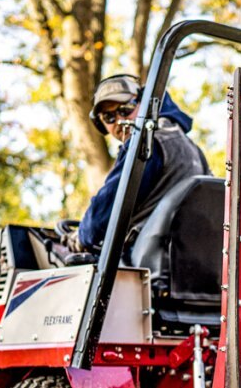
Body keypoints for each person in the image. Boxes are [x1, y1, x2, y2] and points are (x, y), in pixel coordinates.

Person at [71, 74, 211, 255]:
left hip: (151, 260)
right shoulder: (190, 147)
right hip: (187, 256)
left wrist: (82, 234)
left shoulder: (146, 142)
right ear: (100, 123)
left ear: (144, 104)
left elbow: (107, 209)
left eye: (125, 109)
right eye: (109, 117)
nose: (120, 121)